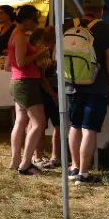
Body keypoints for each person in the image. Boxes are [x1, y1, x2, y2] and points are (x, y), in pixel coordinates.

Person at [64, 0, 109, 185]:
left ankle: (74, 167)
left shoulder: (68, 25)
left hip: (71, 84)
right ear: (101, 10)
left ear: (84, 9)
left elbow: (56, 55)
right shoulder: (105, 29)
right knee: (90, 129)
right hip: (97, 86)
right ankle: (85, 174)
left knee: (75, 125)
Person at [8, 5, 48, 175]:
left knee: (21, 121)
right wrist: (39, 54)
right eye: (35, 20)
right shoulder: (20, 36)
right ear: (26, 21)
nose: (37, 23)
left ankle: (16, 160)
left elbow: (8, 63)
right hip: (25, 82)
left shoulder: (15, 34)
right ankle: (25, 164)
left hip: (19, 81)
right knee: (39, 123)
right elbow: (21, 62)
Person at [34, 26, 63, 170]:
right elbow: (42, 78)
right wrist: (53, 94)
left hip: (54, 91)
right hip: (46, 92)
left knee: (58, 124)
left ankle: (55, 156)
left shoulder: (56, 51)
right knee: (41, 125)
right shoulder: (44, 53)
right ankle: (38, 156)